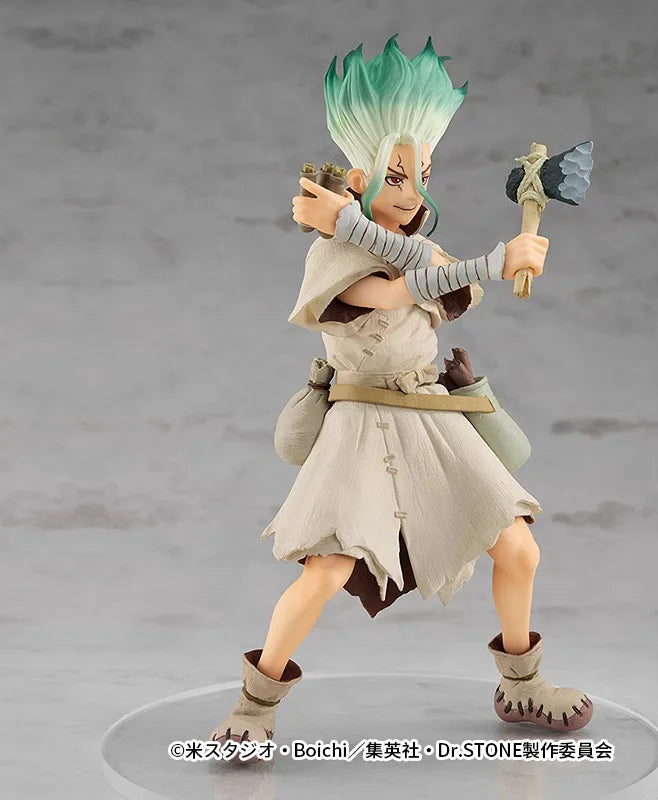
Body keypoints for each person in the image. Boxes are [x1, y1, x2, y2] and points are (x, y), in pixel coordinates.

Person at [208, 34, 593, 751]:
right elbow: (397, 290)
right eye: (395, 175)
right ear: (360, 176)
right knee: (327, 571)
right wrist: (487, 256)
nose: (412, 190)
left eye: (420, 174)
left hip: (430, 416)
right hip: (359, 423)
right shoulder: (331, 252)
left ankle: (522, 683)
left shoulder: (407, 243)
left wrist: (502, 257)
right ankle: (256, 705)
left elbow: (447, 277)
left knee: (518, 548)